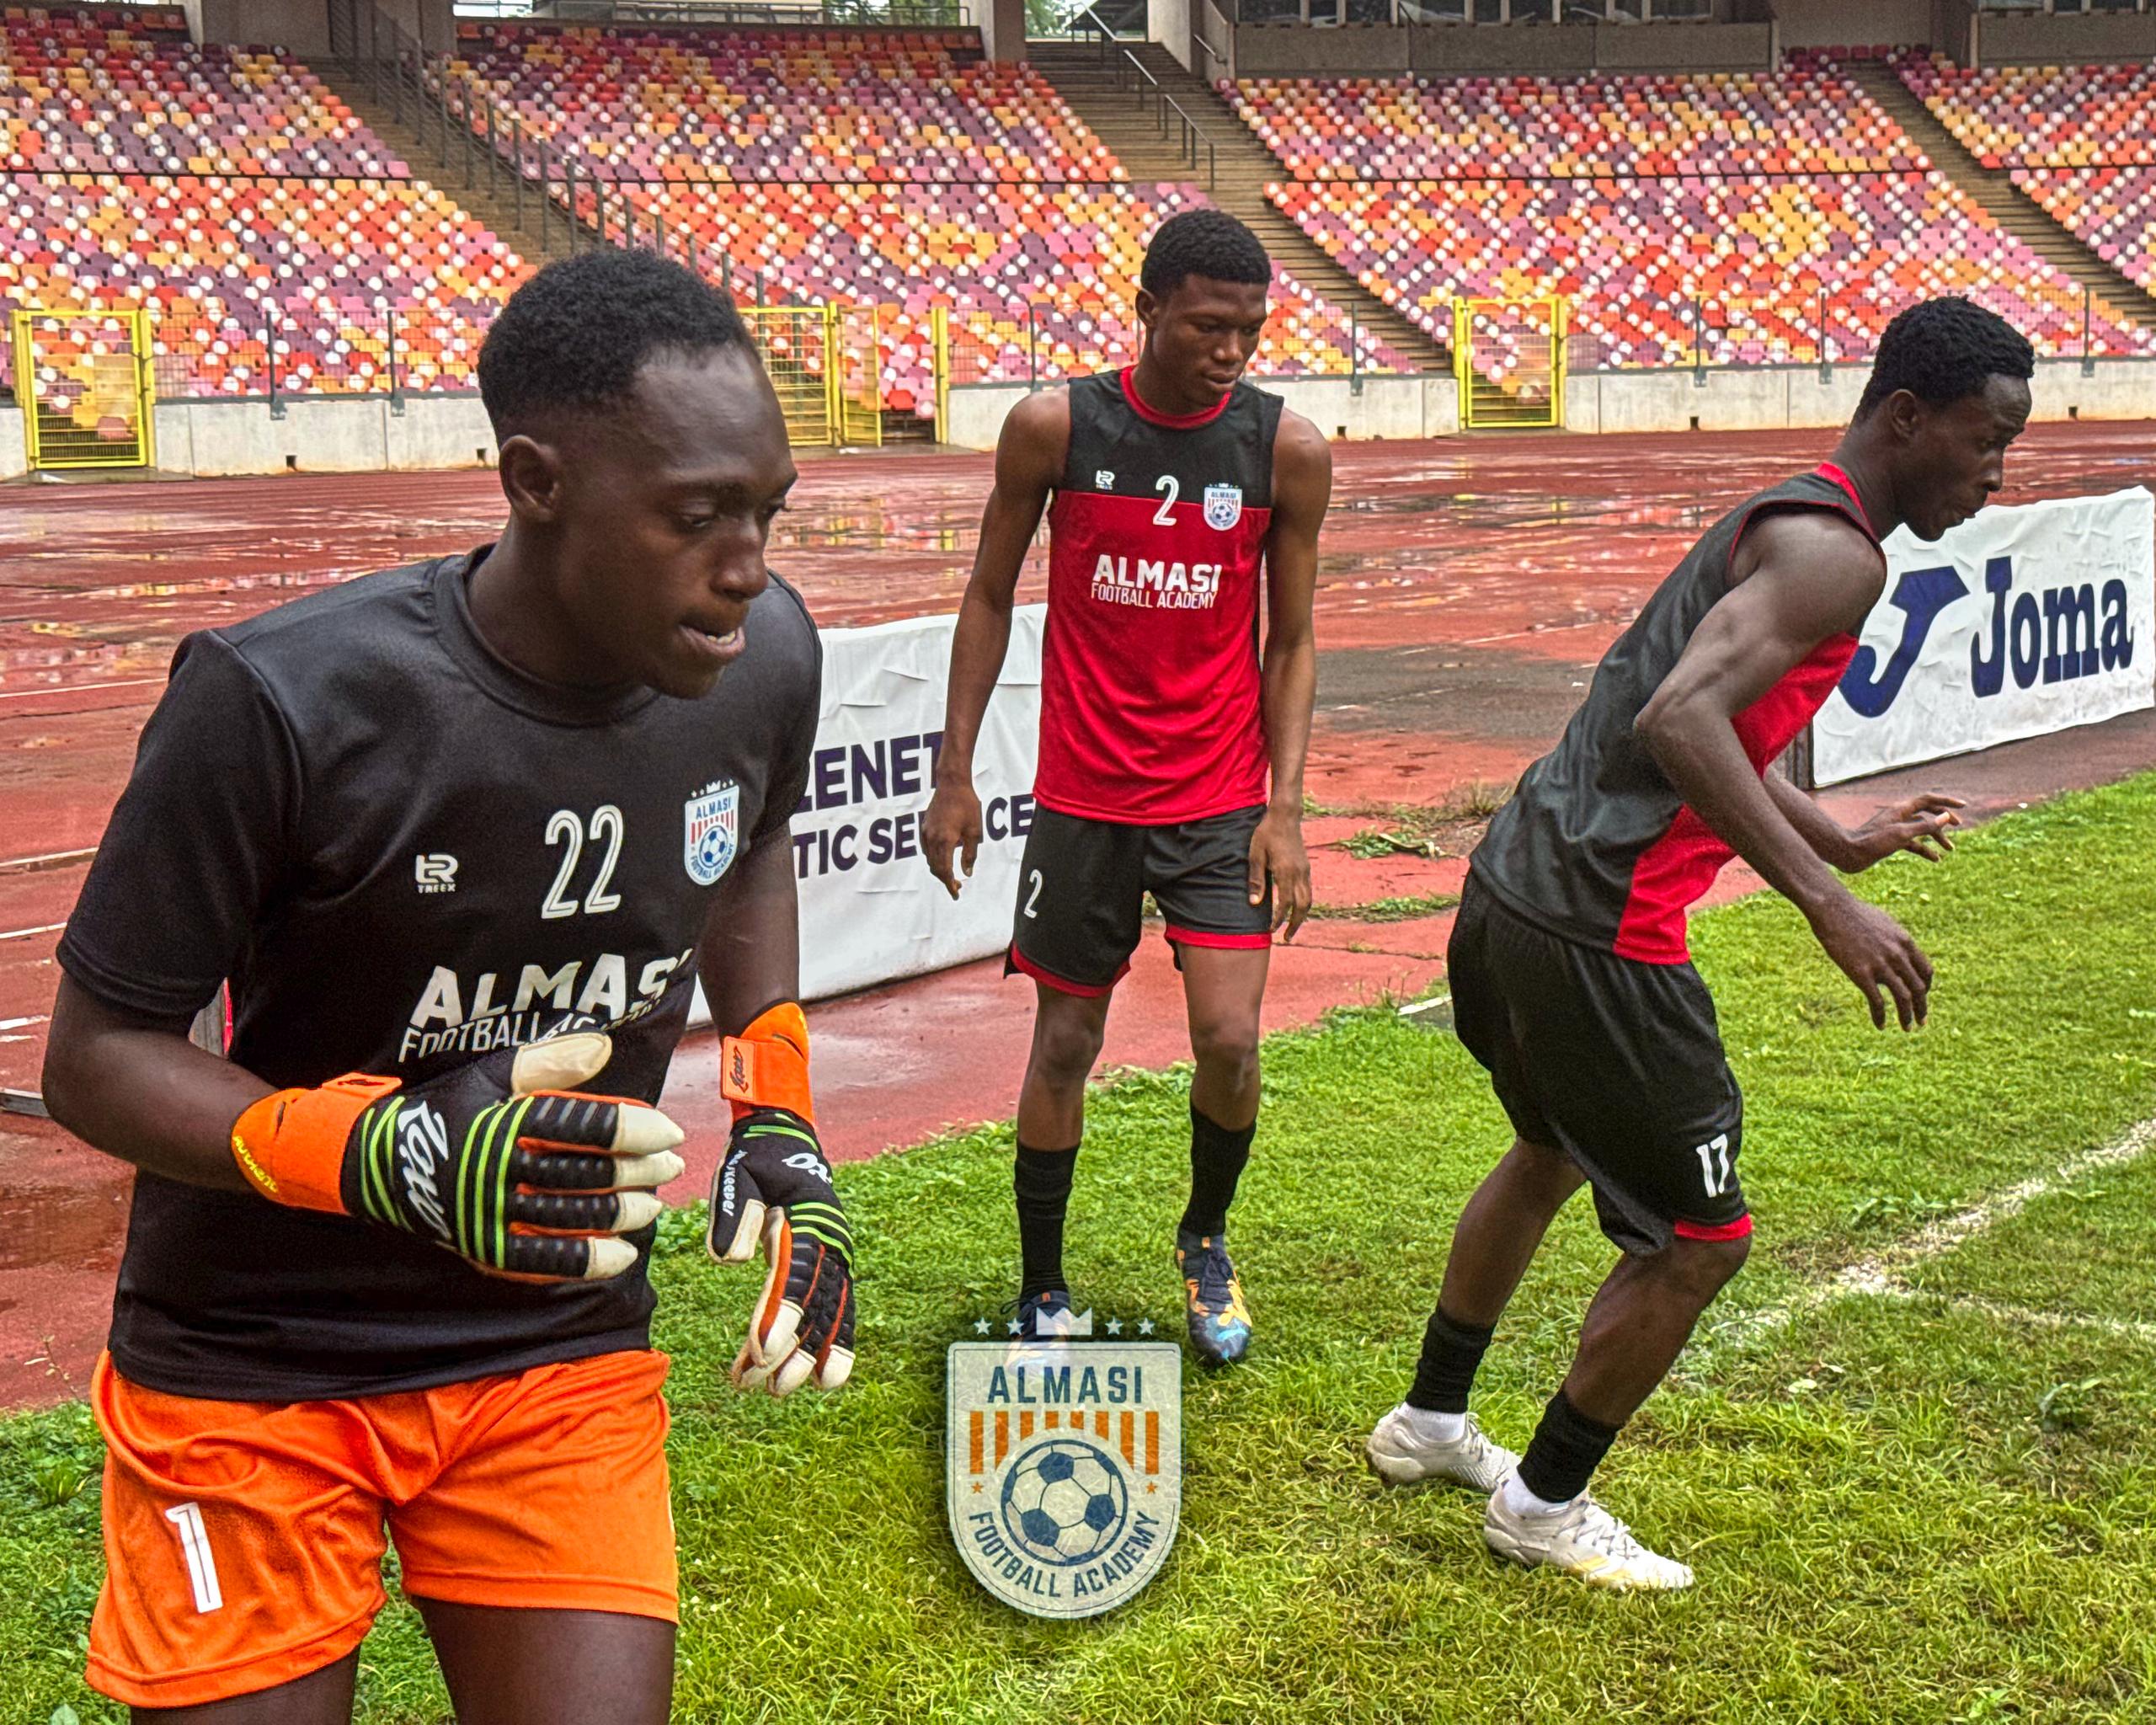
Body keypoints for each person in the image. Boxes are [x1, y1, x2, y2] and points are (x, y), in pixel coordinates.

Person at [40, 248, 855, 1722]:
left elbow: (745, 841)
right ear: (536, 481)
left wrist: (780, 1111)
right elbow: (94, 1057)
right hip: (254, 1368)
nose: (747, 567)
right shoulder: (280, 699)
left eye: (766, 511)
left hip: (552, 1346)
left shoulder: (760, 659)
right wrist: (388, 1154)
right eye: (696, 517)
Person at [1366, 297, 2033, 1588]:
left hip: (1514, 888)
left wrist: (1836, 842)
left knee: (1551, 1148)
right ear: (1908, 417)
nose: (1997, 473)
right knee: (1702, 1240)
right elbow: (1683, 720)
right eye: (1986, 441)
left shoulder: (1790, 516)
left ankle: (1431, 1421)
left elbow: (1708, 722)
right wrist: (1827, 906)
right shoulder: (1838, 557)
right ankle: (1543, 1506)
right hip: (1601, 928)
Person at [923, 209, 1331, 1365]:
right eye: (1209, 325)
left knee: (1231, 1041)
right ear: (1148, 308)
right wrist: (954, 771)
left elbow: (1292, 641)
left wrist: (1285, 809)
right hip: (1084, 799)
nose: (1232, 349)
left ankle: (1205, 1239)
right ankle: (1043, 1286)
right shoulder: (1056, 427)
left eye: (1250, 329)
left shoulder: (1283, 449)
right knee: (1065, 1043)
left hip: (1218, 801)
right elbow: (988, 596)